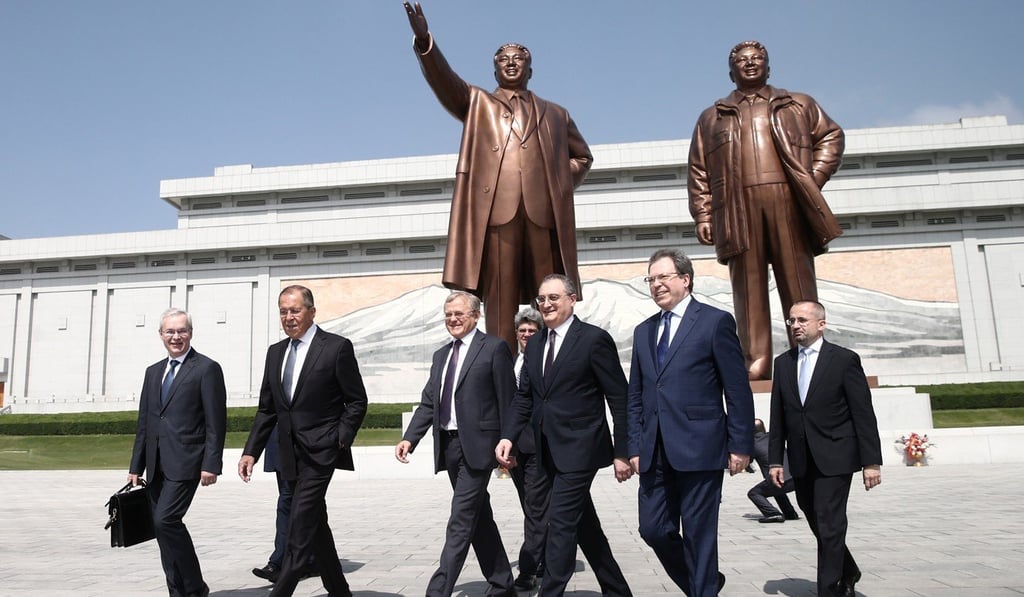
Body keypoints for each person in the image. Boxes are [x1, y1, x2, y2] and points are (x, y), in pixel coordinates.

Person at [403, 1, 593, 351]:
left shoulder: (556, 114)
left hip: (542, 215)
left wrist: (557, 183)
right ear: (494, 71)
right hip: (497, 214)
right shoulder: (478, 104)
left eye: (517, 58)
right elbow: (445, 82)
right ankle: (500, 375)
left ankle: (556, 363)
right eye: (502, 59)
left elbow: (582, 157)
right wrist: (425, 42)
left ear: (530, 70)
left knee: (550, 297)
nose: (510, 62)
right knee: (500, 302)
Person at [687, 40, 845, 380]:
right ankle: (755, 360)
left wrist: (812, 179)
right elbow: (699, 168)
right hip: (737, 208)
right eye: (742, 60)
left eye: (757, 58)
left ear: (768, 66)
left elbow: (831, 136)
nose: (750, 64)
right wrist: (703, 213)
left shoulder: (798, 104)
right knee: (748, 286)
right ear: (731, 71)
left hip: (787, 201)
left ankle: (808, 354)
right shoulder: (712, 116)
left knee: (798, 281)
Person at [626, 248, 754, 597]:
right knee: (652, 529)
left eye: (663, 277)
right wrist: (633, 445)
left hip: (701, 446)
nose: (656, 284)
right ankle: (706, 583)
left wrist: (740, 445)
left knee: (699, 534)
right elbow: (635, 394)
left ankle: (703, 590)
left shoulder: (714, 321)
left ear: (685, 279)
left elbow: (737, 388)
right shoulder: (643, 331)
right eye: (651, 279)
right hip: (654, 450)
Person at [496, 274, 632, 597]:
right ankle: (618, 591)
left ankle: (550, 592)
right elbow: (525, 397)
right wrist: (508, 436)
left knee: (559, 524)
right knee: (585, 527)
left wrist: (623, 451)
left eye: (553, 298)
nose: (546, 304)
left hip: (581, 448)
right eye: (541, 299)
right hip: (545, 451)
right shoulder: (537, 344)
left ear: (572, 299)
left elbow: (620, 398)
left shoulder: (594, 340)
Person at [239, 285, 369, 597]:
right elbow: (267, 409)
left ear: (311, 311)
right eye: (283, 311)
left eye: (295, 310)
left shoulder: (336, 348)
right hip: (288, 454)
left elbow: (357, 401)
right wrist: (250, 452)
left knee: (298, 526)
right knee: (315, 522)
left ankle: (280, 590)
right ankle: (339, 590)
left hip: (321, 453)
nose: (289, 317)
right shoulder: (276, 353)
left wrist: (339, 439)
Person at [395, 291, 517, 597]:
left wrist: (510, 442)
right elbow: (428, 403)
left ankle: (438, 590)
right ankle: (503, 583)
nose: (453, 320)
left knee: (461, 518)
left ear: (475, 316)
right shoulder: (441, 355)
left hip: (479, 447)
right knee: (478, 516)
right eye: (448, 314)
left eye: (459, 314)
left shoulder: (494, 348)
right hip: (448, 446)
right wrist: (410, 438)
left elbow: (509, 400)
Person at [769, 300, 882, 597]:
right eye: (791, 320)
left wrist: (871, 462)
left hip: (836, 456)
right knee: (813, 515)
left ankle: (828, 590)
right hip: (801, 458)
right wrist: (774, 461)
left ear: (821, 324)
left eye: (802, 320)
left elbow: (863, 413)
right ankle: (848, 569)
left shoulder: (844, 360)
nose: (796, 325)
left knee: (830, 523)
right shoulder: (783, 363)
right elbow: (777, 415)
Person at [128, 308, 227, 597]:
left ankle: (196, 589)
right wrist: (136, 466)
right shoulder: (153, 372)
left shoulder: (207, 368)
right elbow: (145, 422)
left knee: (166, 520)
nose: (176, 336)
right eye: (170, 331)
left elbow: (216, 421)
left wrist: (212, 463)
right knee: (162, 531)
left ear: (191, 333)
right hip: (155, 464)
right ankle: (177, 591)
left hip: (187, 462)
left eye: (182, 331)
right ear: (160, 335)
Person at [507, 307, 547, 590]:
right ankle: (542, 559)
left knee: (535, 509)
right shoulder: (511, 362)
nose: (526, 334)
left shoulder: (545, 361)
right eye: (522, 330)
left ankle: (528, 570)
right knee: (530, 507)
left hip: (538, 446)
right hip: (515, 449)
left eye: (532, 330)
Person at [250, 425, 316, 584]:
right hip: (280, 442)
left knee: (300, 503)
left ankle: (291, 561)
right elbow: (267, 412)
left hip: (309, 443)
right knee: (288, 501)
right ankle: (289, 561)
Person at [747, 418, 799, 523]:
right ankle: (789, 513)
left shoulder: (751, 444)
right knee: (774, 486)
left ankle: (773, 514)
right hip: (796, 476)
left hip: (780, 477)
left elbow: (748, 464)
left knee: (754, 493)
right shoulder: (773, 437)